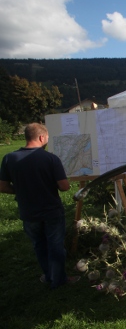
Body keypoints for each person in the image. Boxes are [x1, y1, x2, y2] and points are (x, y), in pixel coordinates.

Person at [0, 123, 78, 289]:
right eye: (47, 138)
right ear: (41, 137)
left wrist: (21, 190)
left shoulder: (9, 158)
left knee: (39, 244)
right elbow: (64, 186)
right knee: (55, 245)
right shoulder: (50, 158)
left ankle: (49, 275)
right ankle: (58, 280)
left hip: (28, 211)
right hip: (51, 210)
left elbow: (2, 186)